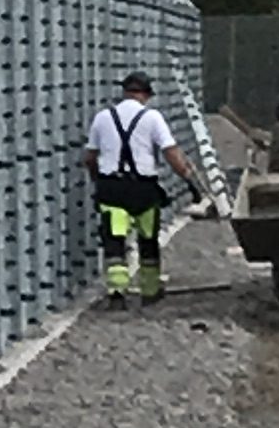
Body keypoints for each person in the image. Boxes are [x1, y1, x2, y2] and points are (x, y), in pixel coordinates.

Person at [87, 72, 204, 305]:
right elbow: (171, 153)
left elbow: (90, 157)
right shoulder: (152, 118)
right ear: (146, 94)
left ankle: (117, 292)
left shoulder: (102, 118)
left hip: (111, 188)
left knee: (114, 241)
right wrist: (189, 180)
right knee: (148, 241)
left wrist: (98, 180)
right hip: (143, 189)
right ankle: (149, 291)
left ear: (124, 92)